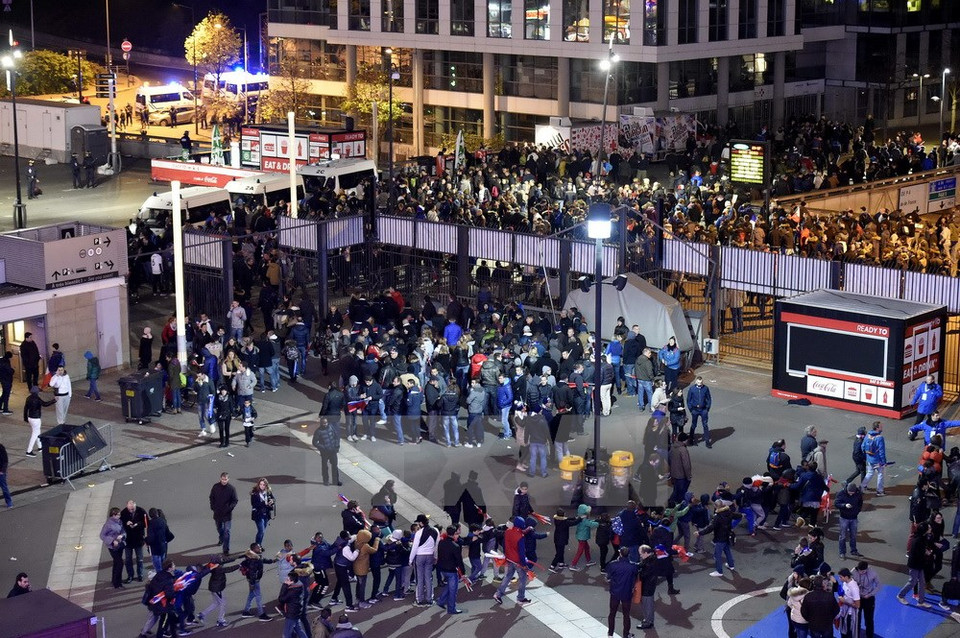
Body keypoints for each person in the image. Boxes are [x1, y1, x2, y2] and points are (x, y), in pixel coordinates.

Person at [493, 517, 532, 606]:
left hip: (509, 559)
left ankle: (498, 594)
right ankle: (520, 598)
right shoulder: (520, 537)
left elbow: (505, 545)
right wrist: (524, 564)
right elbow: (521, 552)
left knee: (508, 576)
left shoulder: (507, 532)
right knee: (523, 579)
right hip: (518, 562)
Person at [697, 499, 740, 577]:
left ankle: (719, 571)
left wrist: (700, 533)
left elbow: (710, 528)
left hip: (720, 537)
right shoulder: (729, 512)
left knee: (717, 555)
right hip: (727, 535)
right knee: (727, 551)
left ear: (716, 506)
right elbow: (738, 516)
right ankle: (731, 565)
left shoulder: (718, 517)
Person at [897, 521, 932, 608]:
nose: (930, 529)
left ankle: (921, 601)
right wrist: (926, 553)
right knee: (912, 582)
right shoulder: (918, 540)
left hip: (919, 564)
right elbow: (917, 553)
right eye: (929, 528)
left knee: (922, 583)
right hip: (915, 564)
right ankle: (900, 595)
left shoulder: (922, 538)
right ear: (925, 530)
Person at [605, 547, 637, 638]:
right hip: (627, 593)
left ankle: (610, 633)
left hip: (615, 592)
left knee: (612, 613)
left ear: (620, 554)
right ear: (628, 554)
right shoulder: (632, 566)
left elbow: (608, 577)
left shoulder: (613, 564)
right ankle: (626, 634)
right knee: (626, 615)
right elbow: (635, 576)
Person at [240, 542, 275, 621]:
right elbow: (252, 572)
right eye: (258, 548)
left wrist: (272, 561)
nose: (260, 548)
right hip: (254, 580)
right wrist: (252, 583)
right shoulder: (253, 559)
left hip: (252, 580)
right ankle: (261, 614)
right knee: (258, 597)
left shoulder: (255, 556)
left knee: (252, 594)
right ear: (253, 550)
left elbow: (262, 560)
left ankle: (246, 611)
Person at [409, 514, 438, 606]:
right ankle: (430, 599)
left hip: (420, 556)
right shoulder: (435, 531)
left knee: (420, 578)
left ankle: (419, 599)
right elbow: (436, 545)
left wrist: (410, 559)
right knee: (428, 578)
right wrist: (435, 556)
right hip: (430, 555)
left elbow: (414, 547)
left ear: (421, 523)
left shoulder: (419, 533)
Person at [435, 526, 466, 615]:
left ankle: (441, 601)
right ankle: (451, 608)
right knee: (453, 591)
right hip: (452, 570)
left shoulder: (441, 542)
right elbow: (459, 561)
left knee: (449, 586)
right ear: (454, 534)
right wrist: (463, 573)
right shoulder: (455, 546)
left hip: (442, 568)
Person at [209, 472, 238, 554]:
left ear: (228, 479)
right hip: (217, 513)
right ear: (220, 479)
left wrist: (229, 508)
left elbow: (235, 500)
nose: (224, 481)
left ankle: (226, 549)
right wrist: (213, 507)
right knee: (219, 528)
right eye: (222, 479)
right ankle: (221, 538)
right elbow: (211, 497)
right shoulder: (215, 487)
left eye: (225, 479)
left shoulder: (231, 489)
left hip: (227, 514)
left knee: (227, 531)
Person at [120, 499, 148, 583]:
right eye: (130, 509)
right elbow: (120, 524)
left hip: (138, 539)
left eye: (133, 509)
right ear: (127, 506)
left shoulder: (141, 511)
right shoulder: (123, 513)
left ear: (135, 505)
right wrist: (126, 523)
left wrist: (137, 524)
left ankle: (140, 575)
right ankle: (130, 576)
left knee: (140, 559)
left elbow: (146, 523)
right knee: (128, 559)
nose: (131, 510)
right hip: (128, 540)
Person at [23, 385, 54, 457]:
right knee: (35, 434)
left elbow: (25, 408)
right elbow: (45, 404)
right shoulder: (37, 399)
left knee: (37, 432)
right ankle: (29, 451)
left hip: (30, 417)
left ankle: (40, 447)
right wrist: (54, 400)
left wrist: (25, 418)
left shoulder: (28, 398)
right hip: (36, 418)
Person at [835, 483, 863, 560]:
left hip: (854, 517)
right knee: (842, 536)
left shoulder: (858, 493)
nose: (851, 494)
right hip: (844, 517)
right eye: (849, 492)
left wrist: (857, 511)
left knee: (853, 535)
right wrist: (844, 505)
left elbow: (860, 502)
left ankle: (853, 550)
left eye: (852, 492)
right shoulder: (841, 493)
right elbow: (836, 504)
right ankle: (842, 552)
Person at [99, 506, 126, 589]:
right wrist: (112, 540)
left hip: (119, 544)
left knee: (116, 563)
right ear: (113, 515)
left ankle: (115, 580)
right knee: (120, 563)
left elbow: (123, 531)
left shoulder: (119, 521)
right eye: (118, 515)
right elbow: (102, 535)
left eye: (119, 514)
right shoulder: (108, 524)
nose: (119, 516)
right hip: (112, 547)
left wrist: (122, 535)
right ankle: (117, 583)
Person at [853, 561, 880, 638]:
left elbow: (879, 585)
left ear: (867, 569)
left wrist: (870, 594)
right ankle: (856, 635)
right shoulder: (853, 572)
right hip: (857, 598)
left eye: (863, 571)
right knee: (856, 619)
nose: (861, 572)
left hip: (869, 598)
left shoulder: (873, 573)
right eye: (860, 571)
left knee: (869, 620)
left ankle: (869, 636)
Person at [278, 571, 308, 638]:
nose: (286, 580)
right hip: (297, 612)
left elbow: (281, 599)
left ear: (292, 581)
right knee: (299, 630)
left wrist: (284, 585)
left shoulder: (292, 591)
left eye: (288, 579)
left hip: (291, 613)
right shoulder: (299, 586)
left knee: (286, 634)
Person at [314, 417, 342, 486]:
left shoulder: (331, 427)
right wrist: (323, 447)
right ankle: (326, 481)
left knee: (335, 466)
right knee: (325, 467)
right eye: (323, 423)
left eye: (326, 423)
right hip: (324, 452)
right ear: (321, 423)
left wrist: (336, 445)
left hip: (333, 450)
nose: (325, 424)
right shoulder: (318, 431)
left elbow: (336, 437)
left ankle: (336, 481)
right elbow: (314, 442)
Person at [636, 544, 659, 630]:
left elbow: (644, 574)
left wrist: (638, 572)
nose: (640, 556)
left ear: (646, 553)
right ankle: (648, 620)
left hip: (648, 586)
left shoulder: (650, 562)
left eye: (641, 554)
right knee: (647, 603)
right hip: (649, 585)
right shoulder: (650, 559)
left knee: (647, 604)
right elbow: (642, 565)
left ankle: (648, 622)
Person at [686, 376, 712, 448]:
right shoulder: (692, 389)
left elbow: (709, 398)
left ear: (702, 382)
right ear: (696, 382)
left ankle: (707, 441)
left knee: (705, 425)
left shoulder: (705, 388)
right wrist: (691, 409)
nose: (700, 384)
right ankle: (691, 440)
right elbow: (688, 400)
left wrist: (707, 408)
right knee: (693, 425)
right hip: (695, 410)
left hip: (703, 410)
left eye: (701, 383)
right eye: (698, 382)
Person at [861, 422, 886, 496]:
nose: (882, 428)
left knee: (870, 473)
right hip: (877, 460)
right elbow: (881, 451)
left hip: (869, 459)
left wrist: (867, 456)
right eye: (881, 426)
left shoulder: (868, 435)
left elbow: (862, 447)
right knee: (880, 474)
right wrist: (884, 462)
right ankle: (880, 491)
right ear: (877, 428)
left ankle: (862, 487)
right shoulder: (880, 438)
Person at [144, 507, 172, 573]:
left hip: (155, 549)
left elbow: (151, 538)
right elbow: (167, 533)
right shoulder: (163, 521)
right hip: (163, 547)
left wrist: (146, 540)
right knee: (164, 566)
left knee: (158, 569)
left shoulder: (151, 523)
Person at [250, 478, 276, 547]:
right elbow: (254, 504)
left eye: (263, 485)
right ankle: (257, 546)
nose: (262, 486)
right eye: (260, 484)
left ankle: (259, 545)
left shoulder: (268, 491)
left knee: (263, 531)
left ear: (266, 485)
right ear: (258, 485)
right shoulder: (254, 493)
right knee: (261, 530)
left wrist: (272, 501)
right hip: (258, 514)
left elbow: (273, 498)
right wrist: (264, 503)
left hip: (266, 514)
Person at [836, 568, 861, 638]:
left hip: (850, 614)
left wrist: (845, 601)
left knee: (848, 633)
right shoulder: (845, 583)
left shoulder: (854, 588)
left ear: (846, 577)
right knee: (843, 631)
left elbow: (858, 605)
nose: (839, 578)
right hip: (843, 611)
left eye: (841, 577)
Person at [0, 440, 11, 508]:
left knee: (4, 488)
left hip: (1, 472)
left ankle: (9, 502)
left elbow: (5, 460)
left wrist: (2, 471)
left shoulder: (1, 448)